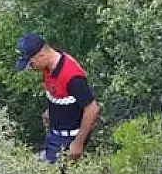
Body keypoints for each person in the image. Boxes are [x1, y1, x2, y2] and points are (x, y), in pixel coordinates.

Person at [14, 32, 100, 164]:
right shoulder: (48, 69)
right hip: (54, 135)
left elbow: (92, 109)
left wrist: (78, 143)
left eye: (31, 64)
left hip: (69, 139)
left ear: (41, 55)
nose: (31, 68)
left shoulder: (72, 76)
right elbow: (59, 94)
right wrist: (50, 111)